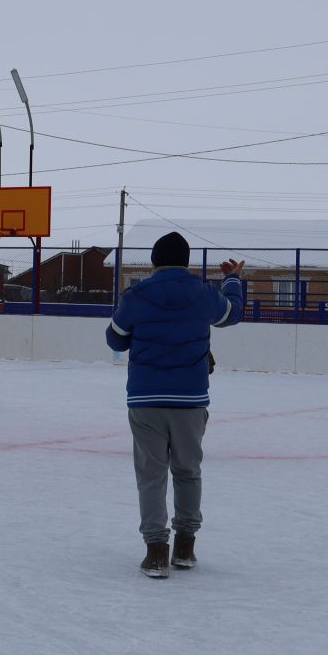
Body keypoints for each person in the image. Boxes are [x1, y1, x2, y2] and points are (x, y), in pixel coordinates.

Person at [105, 233, 244, 578]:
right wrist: (231, 281)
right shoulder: (202, 293)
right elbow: (231, 315)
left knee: (151, 475)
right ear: (186, 261)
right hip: (190, 398)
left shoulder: (137, 295)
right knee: (187, 470)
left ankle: (155, 552)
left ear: (153, 261)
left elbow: (115, 338)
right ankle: (185, 546)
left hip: (146, 398)